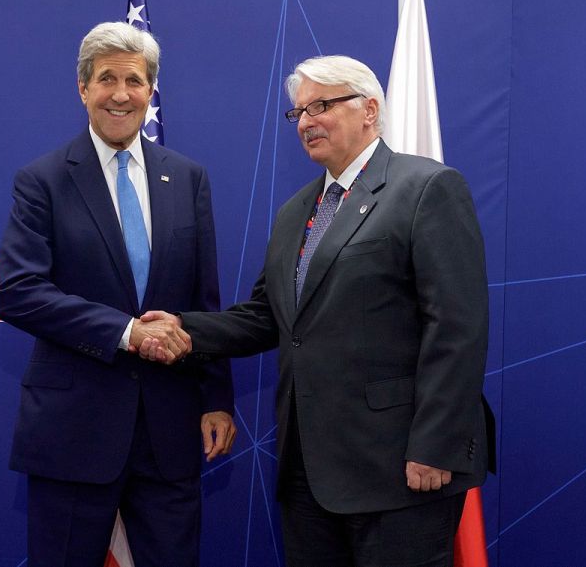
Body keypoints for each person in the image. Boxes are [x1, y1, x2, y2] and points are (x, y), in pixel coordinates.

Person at [138, 55, 494, 566]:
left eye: (322, 106)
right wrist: (184, 329)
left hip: (401, 467)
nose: (306, 121)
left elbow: (457, 328)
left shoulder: (426, 189)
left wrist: (435, 446)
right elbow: (268, 317)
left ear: (370, 110)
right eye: (299, 112)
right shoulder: (295, 212)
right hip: (307, 472)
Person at [0, 21, 235, 567]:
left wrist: (216, 397)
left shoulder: (188, 178)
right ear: (83, 88)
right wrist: (127, 333)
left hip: (170, 432)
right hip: (73, 433)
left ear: (151, 91)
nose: (120, 94)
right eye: (106, 79)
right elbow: (16, 290)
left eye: (134, 80)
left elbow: (205, 300)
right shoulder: (43, 180)